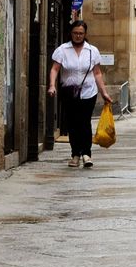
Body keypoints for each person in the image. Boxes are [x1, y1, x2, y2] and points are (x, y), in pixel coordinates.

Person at [47, 20, 113, 168]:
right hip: (69, 93)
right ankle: (75, 154)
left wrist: (104, 93)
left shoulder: (92, 51)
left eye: (81, 33)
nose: (78, 36)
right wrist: (52, 86)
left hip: (88, 92)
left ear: (85, 34)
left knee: (84, 122)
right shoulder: (62, 50)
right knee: (73, 124)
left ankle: (86, 154)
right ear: (71, 33)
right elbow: (55, 69)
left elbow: (97, 73)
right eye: (75, 33)